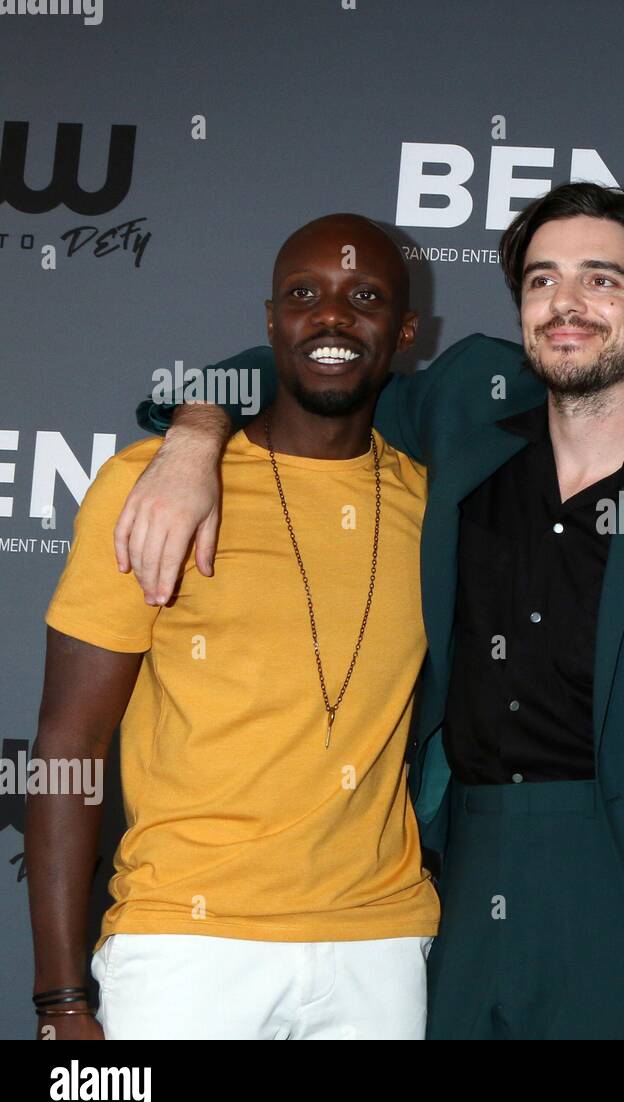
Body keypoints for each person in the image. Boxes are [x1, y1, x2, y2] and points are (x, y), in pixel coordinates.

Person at [115, 183, 624, 1039]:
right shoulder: (471, 402)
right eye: (542, 281)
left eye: (602, 281)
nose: (565, 305)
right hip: (461, 868)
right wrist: (196, 431)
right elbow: (309, 364)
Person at [27, 213, 439, 1039]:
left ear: (404, 332)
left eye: (363, 296)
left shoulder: (432, 507)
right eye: (303, 295)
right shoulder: (153, 487)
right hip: (184, 947)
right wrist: (61, 1002)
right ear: (270, 321)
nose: (330, 317)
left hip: (379, 947)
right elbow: (69, 747)